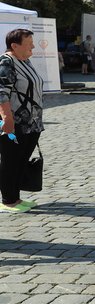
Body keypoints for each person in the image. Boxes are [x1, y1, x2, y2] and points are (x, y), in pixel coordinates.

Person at [0, 29, 45, 214]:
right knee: (11, 161)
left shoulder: (25, 61)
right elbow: (2, 92)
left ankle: (16, 197)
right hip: (14, 122)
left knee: (21, 160)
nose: (33, 46)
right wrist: (6, 118)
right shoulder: (6, 62)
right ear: (14, 45)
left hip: (31, 123)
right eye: (28, 44)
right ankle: (8, 200)